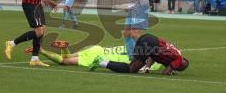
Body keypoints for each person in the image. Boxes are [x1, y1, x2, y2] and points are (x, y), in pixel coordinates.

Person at [24, 40, 162, 71]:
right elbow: (146, 67)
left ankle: (64, 47)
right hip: (96, 57)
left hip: (98, 49)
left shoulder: (133, 46)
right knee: (63, 62)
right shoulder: (143, 59)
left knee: (67, 56)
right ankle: (41, 50)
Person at [90, 33, 189, 75]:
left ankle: (102, 62)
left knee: (132, 65)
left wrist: (147, 67)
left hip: (147, 38)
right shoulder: (178, 59)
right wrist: (170, 71)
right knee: (131, 69)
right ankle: (101, 62)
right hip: (152, 44)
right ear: (179, 66)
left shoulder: (174, 54)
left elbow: (154, 56)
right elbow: (165, 72)